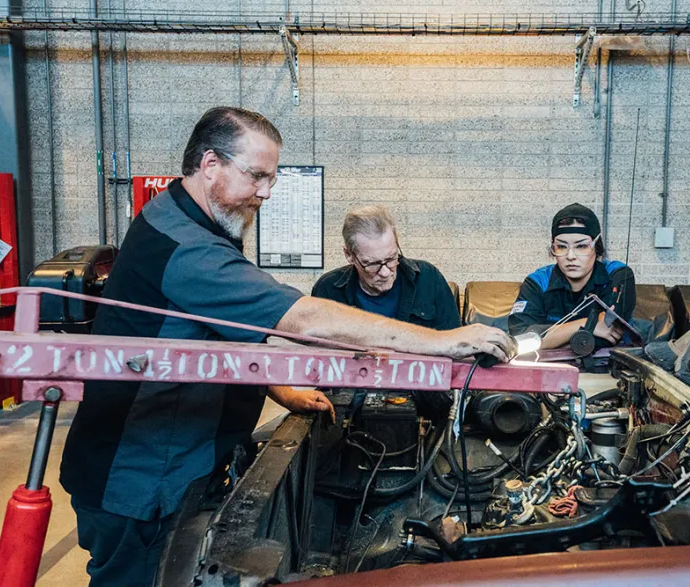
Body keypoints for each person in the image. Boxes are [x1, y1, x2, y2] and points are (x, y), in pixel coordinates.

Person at [59, 106, 515, 587]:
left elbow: (222, 331)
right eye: (256, 176)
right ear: (210, 164)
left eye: (270, 178)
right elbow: (304, 319)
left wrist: (281, 391)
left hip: (177, 463)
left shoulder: (183, 219)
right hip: (140, 481)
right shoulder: (185, 247)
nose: (266, 192)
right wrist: (444, 341)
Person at [292, 204, 460, 413]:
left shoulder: (429, 279)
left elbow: (454, 349)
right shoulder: (328, 290)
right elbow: (319, 365)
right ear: (350, 255)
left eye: (391, 259)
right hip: (350, 410)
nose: (385, 272)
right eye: (372, 264)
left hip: (422, 406)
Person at [508, 202, 636, 351]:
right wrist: (588, 324)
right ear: (553, 248)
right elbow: (521, 339)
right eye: (561, 247)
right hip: (549, 367)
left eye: (581, 246)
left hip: (607, 367)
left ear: (597, 246)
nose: (570, 256)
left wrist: (549, 338)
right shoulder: (537, 281)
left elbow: (610, 332)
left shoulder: (617, 274)